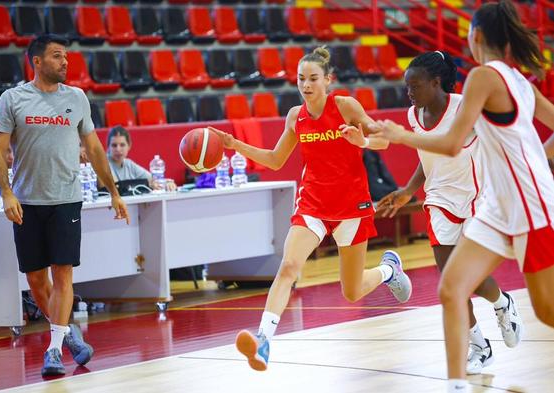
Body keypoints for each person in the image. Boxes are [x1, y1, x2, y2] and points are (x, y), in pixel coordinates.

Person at [361, 2, 554, 391]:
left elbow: (450, 145)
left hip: (528, 206)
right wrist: (539, 154)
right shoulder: (518, 80)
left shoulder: (484, 78)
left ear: (476, 35)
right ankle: (458, 384)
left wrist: (397, 136)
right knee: (451, 288)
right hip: (498, 208)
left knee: (548, 312)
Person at [211, 46, 413, 372]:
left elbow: (383, 141)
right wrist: (236, 145)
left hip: (351, 206)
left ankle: (389, 270)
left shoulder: (345, 106)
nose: (306, 85)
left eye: (313, 78)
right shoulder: (296, 116)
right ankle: (263, 340)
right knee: (289, 266)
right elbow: (276, 159)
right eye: (301, 78)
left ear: (328, 80)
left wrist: (362, 142)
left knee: (351, 292)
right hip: (313, 205)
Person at [376, 51, 523, 375]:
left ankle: (502, 303)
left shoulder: (464, 108)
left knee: (469, 278)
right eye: (406, 87)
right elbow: (427, 155)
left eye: (415, 86)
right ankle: (480, 348)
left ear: (436, 82)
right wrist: (407, 191)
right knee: (450, 279)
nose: (409, 93)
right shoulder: (415, 115)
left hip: (477, 199)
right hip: (439, 199)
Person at [0, 34, 130, 377]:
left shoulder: (78, 98)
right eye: (56, 56)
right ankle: (67, 334)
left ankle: (53, 349)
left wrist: (113, 191)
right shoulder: (13, 99)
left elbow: (95, 149)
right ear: (36, 62)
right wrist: (6, 193)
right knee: (37, 281)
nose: (65, 62)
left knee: (63, 273)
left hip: (67, 199)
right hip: (26, 201)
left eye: (66, 56)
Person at [106, 125, 177, 192]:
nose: (118, 149)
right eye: (114, 145)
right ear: (108, 147)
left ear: (129, 146)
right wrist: (147, 184)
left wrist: (168, 183)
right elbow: (116, 187)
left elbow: (153, 179)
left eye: (122, 145)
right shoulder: (104, 163)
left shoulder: (129, 164)